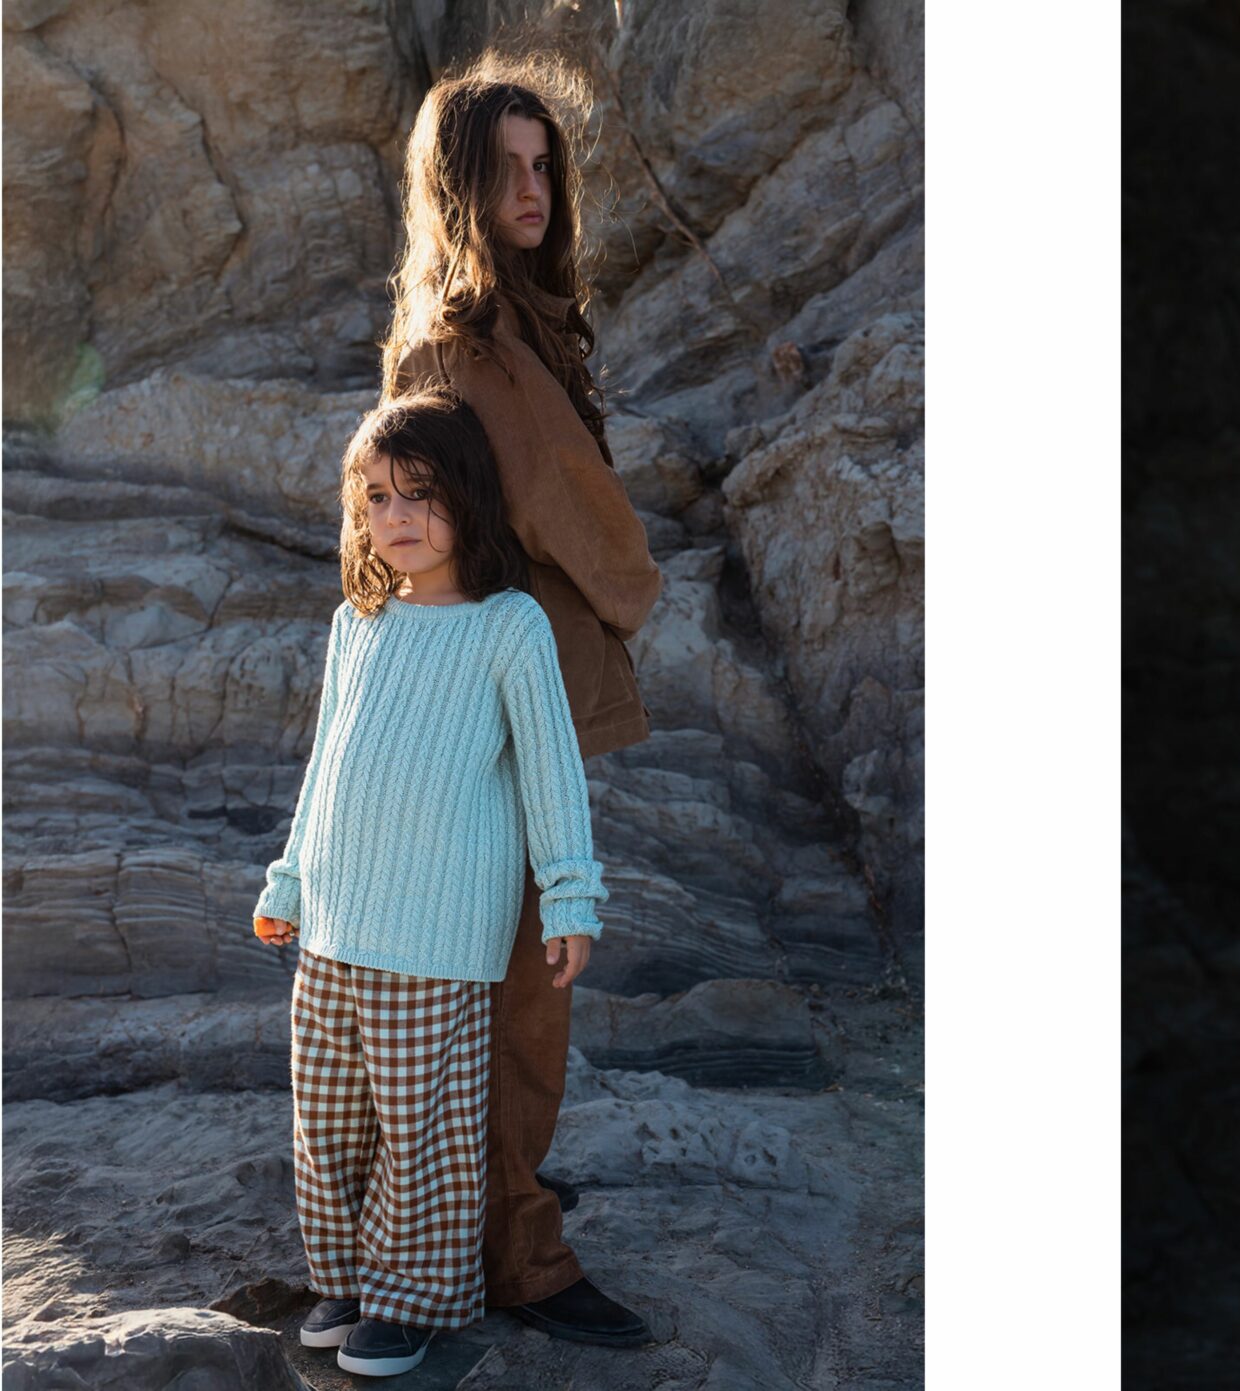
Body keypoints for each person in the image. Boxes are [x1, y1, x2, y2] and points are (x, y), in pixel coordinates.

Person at [377, 49, 663, 1346]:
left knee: (503, 973)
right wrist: (634, 584)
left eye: (546, 167)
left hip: (499, 697)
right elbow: (573, 511)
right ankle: (520, 1253)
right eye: (509, 171)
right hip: (509, 705)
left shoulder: (492, 329)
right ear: (463, 186)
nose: (536, 190)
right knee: (525, 982)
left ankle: (494, 1202)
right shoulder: (477, 347)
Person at [253, 387, 607, 1377]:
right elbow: (327, 765)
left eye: (419, 494)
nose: (396, 517)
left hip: (439, 932)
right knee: (326, 1117)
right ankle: (347, 1277)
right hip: (332, 924)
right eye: (375, 498)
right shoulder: (356, 622)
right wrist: (286, 879)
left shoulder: (509, 626)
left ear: (467, 502)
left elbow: (549, 771)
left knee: (423, 1128)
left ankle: (411, 1299)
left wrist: (572, 895)